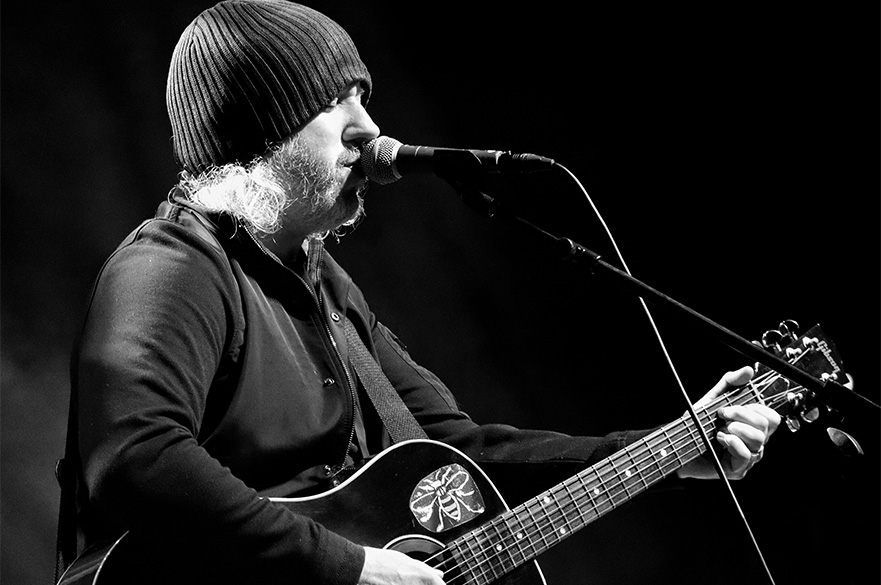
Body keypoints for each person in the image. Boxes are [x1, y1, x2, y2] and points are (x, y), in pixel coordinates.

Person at [64, 2, 780, 584]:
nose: (367, 128)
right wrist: (352, 567)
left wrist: (671, 448)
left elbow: (456, 452)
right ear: (259, 136)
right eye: (331, 101)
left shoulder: (328, 290)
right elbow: (137, 457)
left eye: (362, 97)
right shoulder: (174, 265)